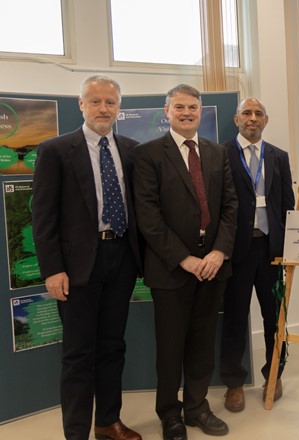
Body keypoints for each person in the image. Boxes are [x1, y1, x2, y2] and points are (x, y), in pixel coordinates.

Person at [32, 75, 142, 440]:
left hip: (122, 258)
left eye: (110, 102)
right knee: (79, 355)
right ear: (81, 104)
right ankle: (76, 433)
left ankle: (107, 422)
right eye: (95, 101)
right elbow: (43, 218)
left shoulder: (130, 149)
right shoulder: (56, 151)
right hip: (78, 267)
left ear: (119, 108)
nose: (103, 109)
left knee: (113, 347)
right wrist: (52, 270)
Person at [133, 84, 238, 440]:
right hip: (171, 271)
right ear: (167, 111)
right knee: (170, 347)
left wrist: (219, 252)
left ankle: (197, 407)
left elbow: (229, 207)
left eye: (193, 107)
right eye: (179, 107)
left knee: (202, 343)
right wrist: (185, 259)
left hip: (212, 268)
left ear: (201, 110)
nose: (187, 112)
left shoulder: (216, 152)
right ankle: (169, 413)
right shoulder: (148, 155)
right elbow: (148, 218)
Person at [219, 97, 295, 411]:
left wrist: (290, 248)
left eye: (258, 113)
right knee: (234, 318)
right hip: (235, 250)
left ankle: (274, 373)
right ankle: (234, 383)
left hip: (270, 250)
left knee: (275, 318)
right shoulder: (221, 154)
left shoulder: (279, 156)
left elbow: (287, 205)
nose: (253, 118)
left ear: (266, 119)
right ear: (237, 119)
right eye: (247, 113)